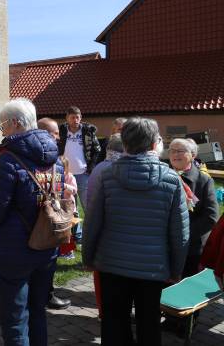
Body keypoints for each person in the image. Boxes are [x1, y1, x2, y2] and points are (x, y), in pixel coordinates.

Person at [82, 118, 190, 346]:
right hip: (152, 270)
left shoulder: (106, 176)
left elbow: (92, 222)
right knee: (149, 324)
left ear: (126, 144)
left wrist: (88, 258)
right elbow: (180, 233)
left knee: (113, 324)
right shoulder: (172, 180)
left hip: (111, 265)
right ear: (154, 144)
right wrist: (176, 270)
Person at [0, 100, 62, 345]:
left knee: (15, 317)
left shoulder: (9, 158)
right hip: (47, 243)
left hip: (15, 250)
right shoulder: (53, 156)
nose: (2, 131)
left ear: (14, 123)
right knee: (37, 310)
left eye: (2, 126)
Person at [86, 133, 124, 319]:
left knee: (100, 275)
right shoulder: (116, 169)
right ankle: (109, 312)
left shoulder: (100, 166)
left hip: (97, 225)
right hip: (111, 227)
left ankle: (103, 310)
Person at [36, 117, 72, 311]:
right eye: (54, 133)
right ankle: (43, 295)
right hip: (35, 218)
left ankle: (46, 294)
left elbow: (56, 189)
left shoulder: (56, 161)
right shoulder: (33, 157)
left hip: (50, 215)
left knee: (50, 259)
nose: (58, 138)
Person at [168, 138, 218, 277]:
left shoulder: (204, 180)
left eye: (180, 151)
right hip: (164, 246)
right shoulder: (162, 176)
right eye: (172, 151)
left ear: (193, 155)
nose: (175, 154)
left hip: (191, 247)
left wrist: (182, 234)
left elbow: (211, 217)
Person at [57, 106, 101, 212]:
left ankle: (90, 228)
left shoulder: (88, 131)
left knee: (88, 206)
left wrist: (90, 168)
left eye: (77, 117)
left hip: (83, 174)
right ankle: (76, 228)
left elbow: (97, 149)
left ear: (81, 117)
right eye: (72, 117)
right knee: (69, 207)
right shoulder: (61, 131)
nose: (75, 120)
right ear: (67, 118)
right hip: (65, 175)